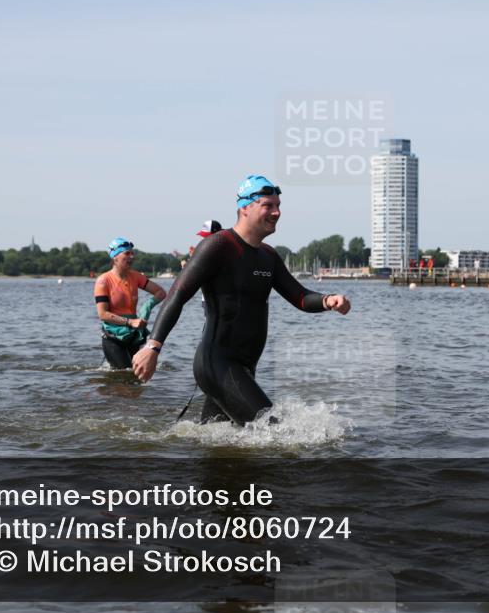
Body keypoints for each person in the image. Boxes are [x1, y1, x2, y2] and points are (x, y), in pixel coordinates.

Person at [131, 175, 351, 425]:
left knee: (217, 446)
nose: (277, 212)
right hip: (217, 364)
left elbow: (299, 297)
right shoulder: (218, 245)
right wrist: (153, 347)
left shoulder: (268, 256)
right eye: (268, 205)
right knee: (275, 432)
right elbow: (177, 295)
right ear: (245, 207)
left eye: (278, 206)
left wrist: (328, 300)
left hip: (244, 367)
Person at [94, 237, 167, 369]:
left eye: (132, 253)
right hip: (113, 337)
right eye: (127, 253)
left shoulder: (136, 276)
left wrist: (147, 307)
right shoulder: (103, 281)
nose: (132, 257)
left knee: (137, 375)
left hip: (133, 335)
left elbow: (161, 293)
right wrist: (130, 322)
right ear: (115, 257)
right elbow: (102, 314)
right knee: (124, 376)